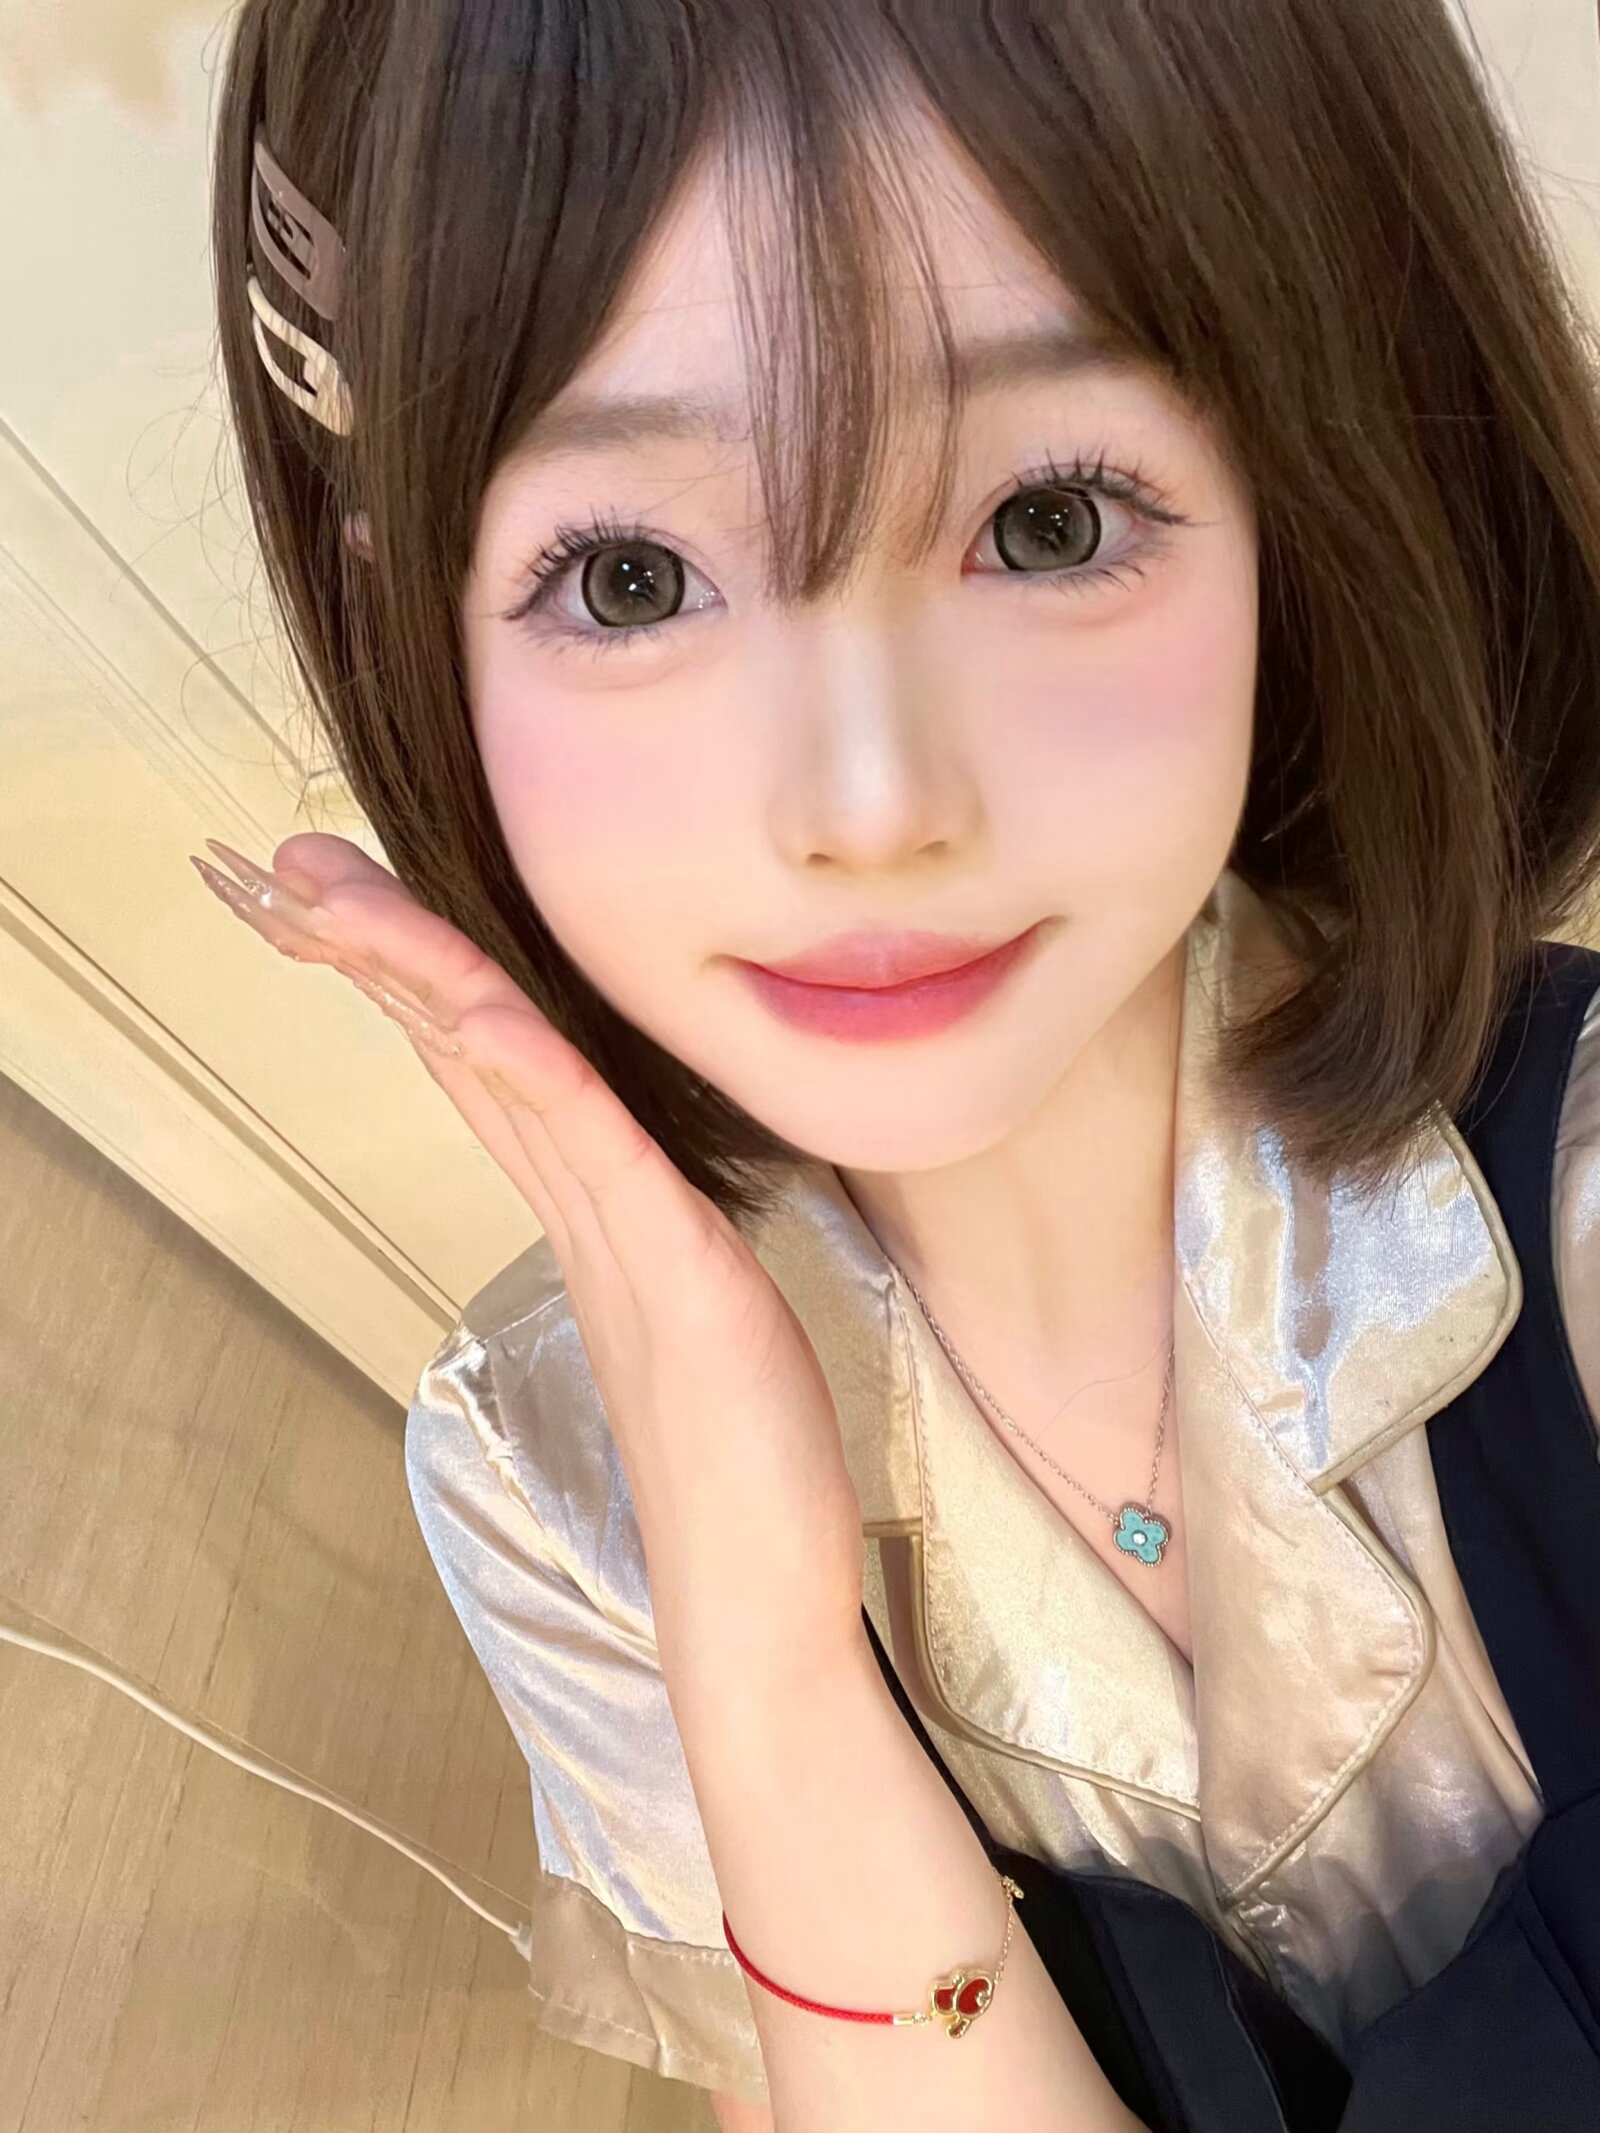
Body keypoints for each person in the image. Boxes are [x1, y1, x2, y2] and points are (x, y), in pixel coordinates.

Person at [197, 2, 1600, 2126]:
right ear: (419, 615)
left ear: (1293, 499)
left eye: (1047, 522)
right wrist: (761, 1649)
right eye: (630, 576)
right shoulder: (553, 1483)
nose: (868, 807)